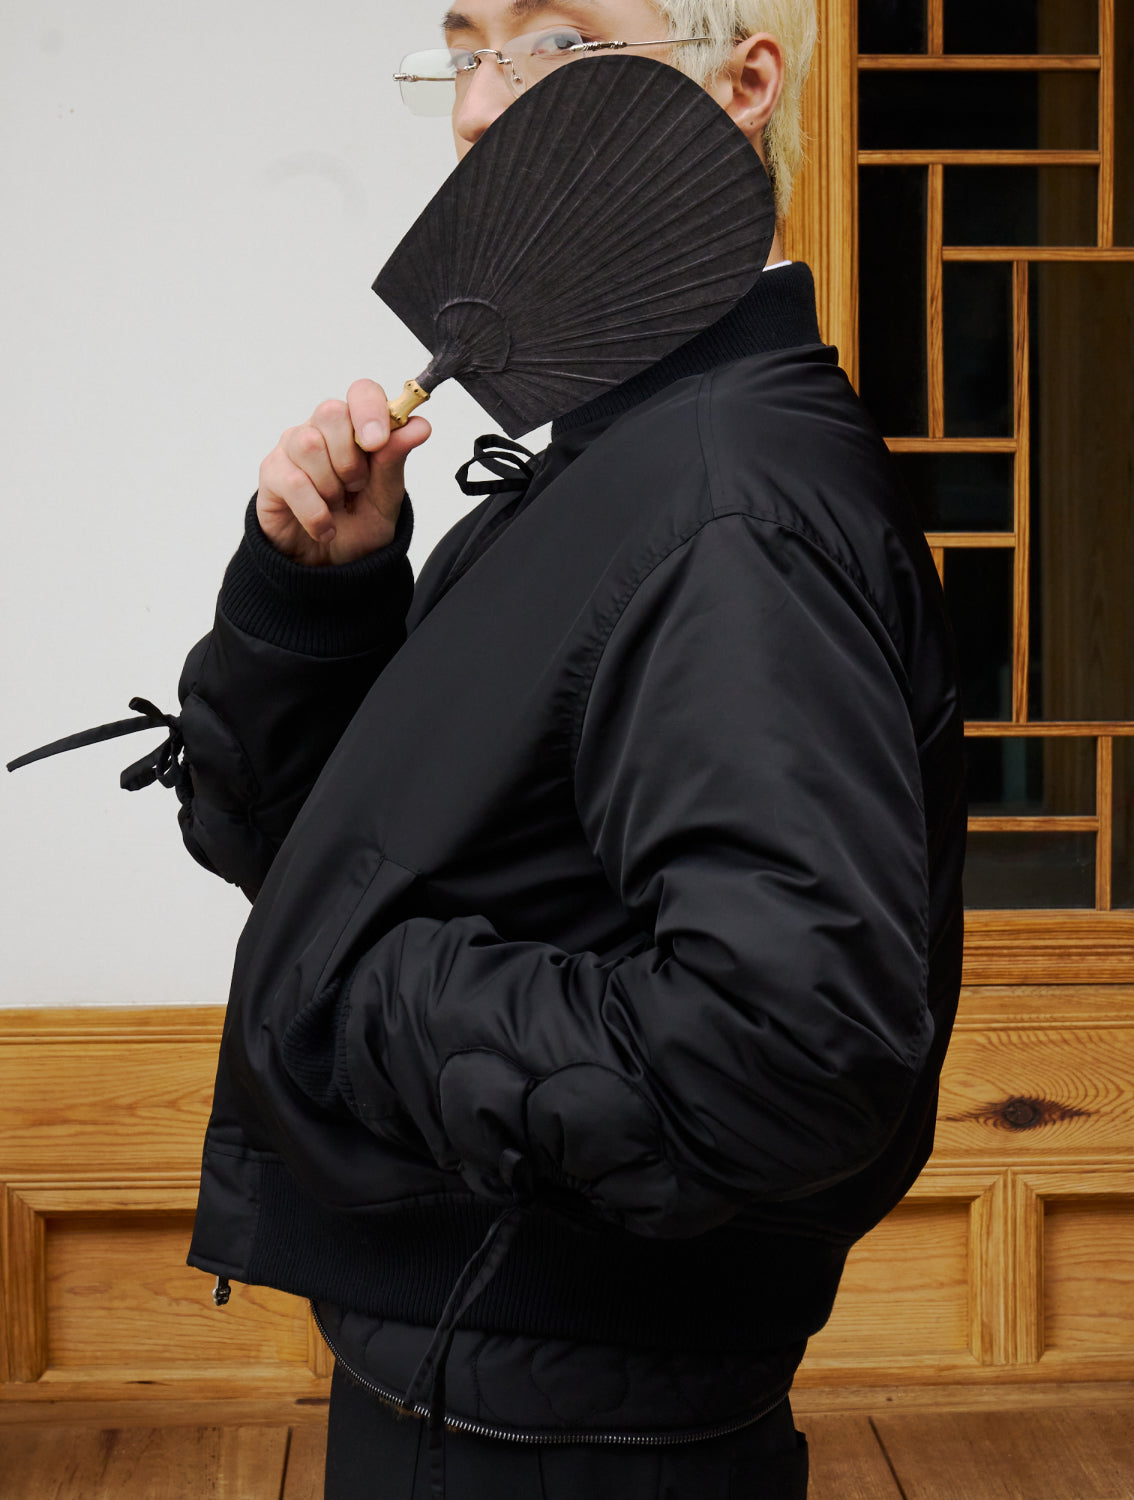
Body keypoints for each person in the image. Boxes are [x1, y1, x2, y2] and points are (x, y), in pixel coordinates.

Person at [13, 3, 965, 1496]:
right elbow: (331, 850)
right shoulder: (611, 458)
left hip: (561, 1435)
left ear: (743, 81)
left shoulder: (728, 509)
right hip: (474, 1380)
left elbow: (784, 1054)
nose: (474, 115)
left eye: (552, 42)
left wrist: (347, 979)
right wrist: (316, 599)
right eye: (463, 54)